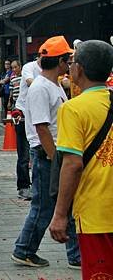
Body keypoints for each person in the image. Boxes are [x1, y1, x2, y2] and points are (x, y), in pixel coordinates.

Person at [11, 36, 80, 269]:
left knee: (66, 204)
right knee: (43, 206)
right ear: (60, 61)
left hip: (54, 152)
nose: (70, 64)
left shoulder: (54, 84)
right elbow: (41, 127)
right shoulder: (41, 88)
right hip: (46, 154)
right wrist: (54, 158)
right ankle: (24, 250)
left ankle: (76, 255)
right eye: (68, 59)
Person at [49, 40, 113, 279]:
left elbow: (73, 164)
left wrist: (59, 214)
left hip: (97, 213)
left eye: (73, 62)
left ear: (80, 69)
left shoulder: (74, 109)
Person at [8, 60, 31, 200]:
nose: (14, 69)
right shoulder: (28, 77)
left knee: (32, 156)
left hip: (35, 119)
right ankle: (23, 187)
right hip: (22, 116)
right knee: (24, 155)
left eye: (16, 67)